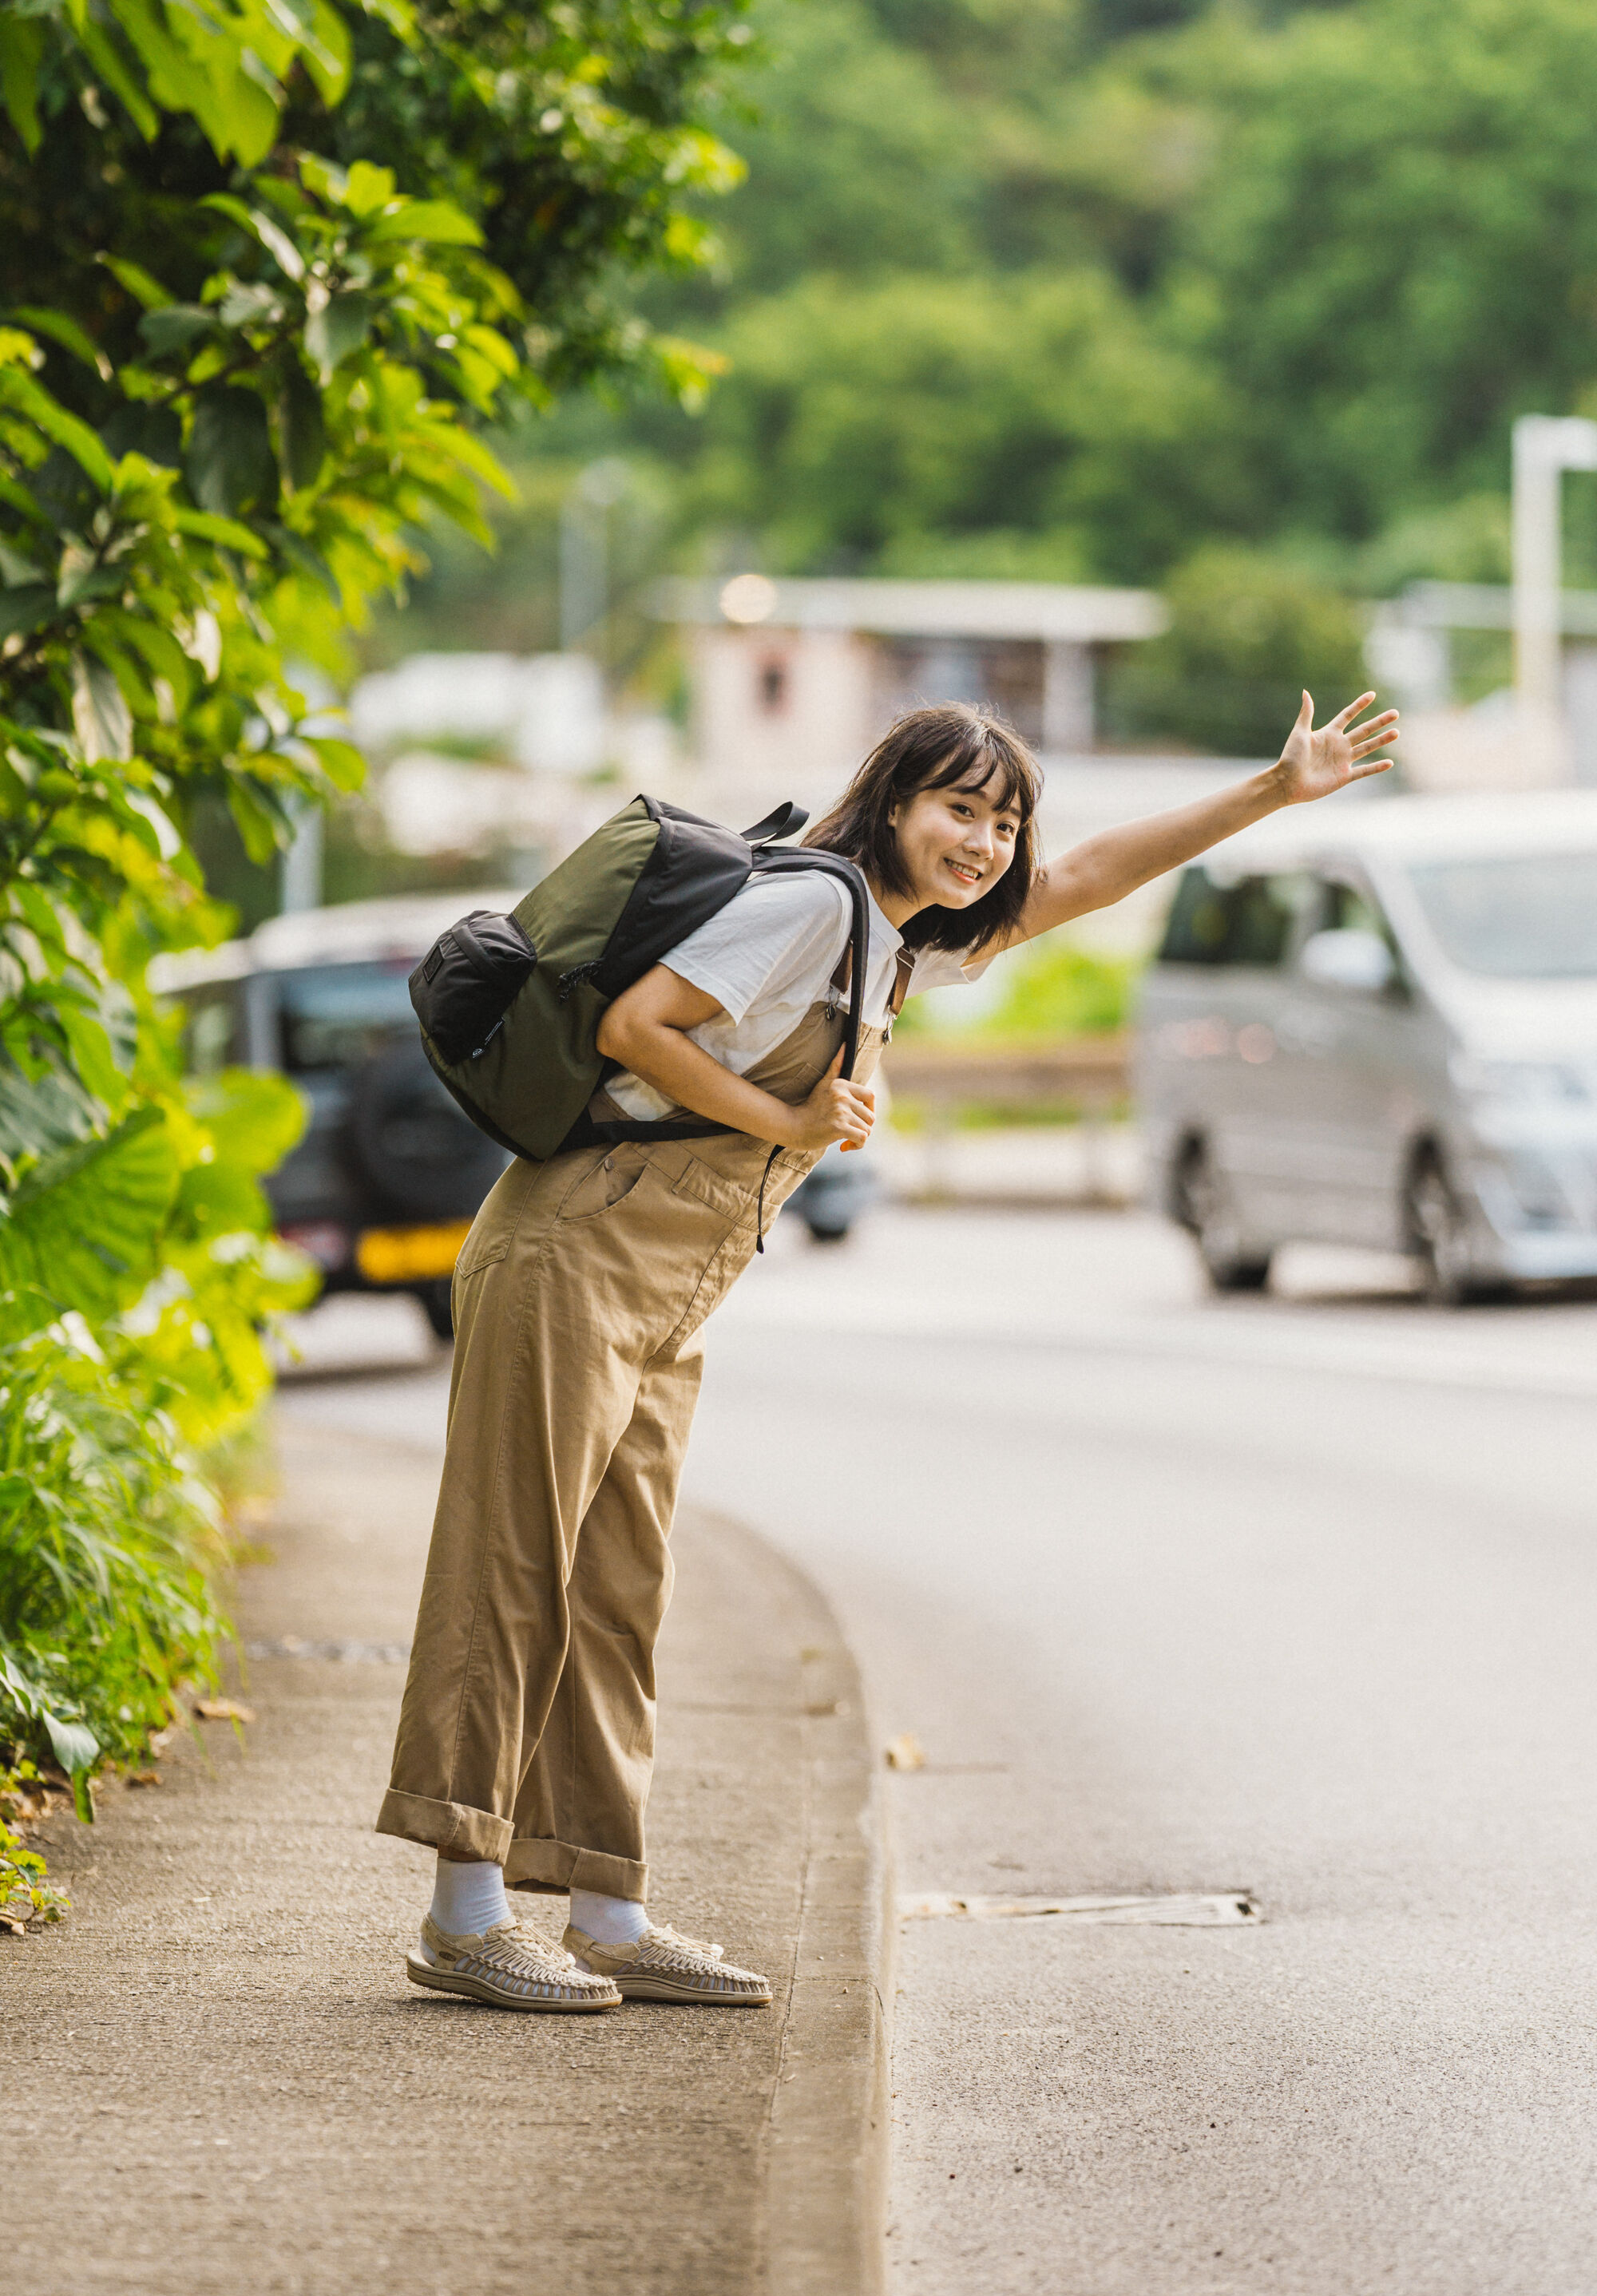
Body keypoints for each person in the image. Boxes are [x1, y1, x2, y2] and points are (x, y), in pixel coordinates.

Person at [375, 687, 1398, 2013]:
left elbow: (1083, 879)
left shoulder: (895, 943)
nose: (985, 841)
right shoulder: (818, 904)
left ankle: (607, 1906)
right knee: (515, 1564)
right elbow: (639, 1028)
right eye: (960, 809)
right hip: (578, 1245)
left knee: (619, 1588)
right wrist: (795, 1114)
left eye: (1004, 820)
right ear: (897, 803)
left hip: (670, 1281)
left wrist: (1270, 791)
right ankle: (464, 1910)